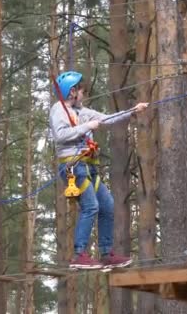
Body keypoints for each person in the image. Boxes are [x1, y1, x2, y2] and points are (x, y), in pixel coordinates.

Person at [49, 71, 149, 269]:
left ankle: (106, 253)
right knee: (91, 206)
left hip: (87, 167)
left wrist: (133, 111)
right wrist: (87, 127)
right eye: (81, 91)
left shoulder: (83, 112)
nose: (84, 95)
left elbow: (108, 118)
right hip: (73, 166)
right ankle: (79, 255)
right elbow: (60, 135)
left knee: (108, 206)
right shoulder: (58, 109)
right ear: (71, 92)